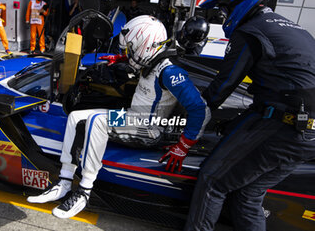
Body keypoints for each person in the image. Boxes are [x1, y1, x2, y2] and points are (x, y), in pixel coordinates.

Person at [27, 15, 211, 219]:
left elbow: (201, 109)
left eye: (131, 48)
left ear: (146, 45)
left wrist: (183, 145)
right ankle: (64, 181)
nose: (129, 52)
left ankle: (84, 191)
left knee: (97, 122)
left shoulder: (170, 72)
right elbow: (138, 64)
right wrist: (121, 59)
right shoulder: (152, 59)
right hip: (133, 118)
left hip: (150, 129)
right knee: (76, 117)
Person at [185, 0, 315, 231]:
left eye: (223, 10)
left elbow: (222, 87)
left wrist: (189, 120)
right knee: (248, 194)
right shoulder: (290, 28)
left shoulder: (251, 32)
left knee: (212, 180)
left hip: (283, 125)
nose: (222, 16)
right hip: (306, 134)